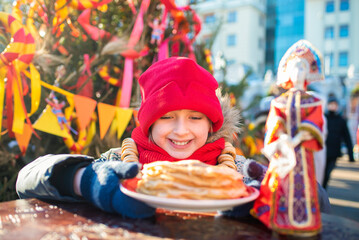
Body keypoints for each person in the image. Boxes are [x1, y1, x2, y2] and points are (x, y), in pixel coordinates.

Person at [16, 57, 328, 220]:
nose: (181, 131)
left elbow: (322, 203)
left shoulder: (240, 173)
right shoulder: (119, 165)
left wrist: (282, 181)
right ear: (149, 125)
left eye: (195, 118)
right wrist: (84, 179)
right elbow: (27, 179)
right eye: (166, 117)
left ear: (211, 125)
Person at [251, 40, 330, 235]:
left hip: (304, 153)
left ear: (308, 73)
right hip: (284, 151)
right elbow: (274, 122)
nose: (298, 72)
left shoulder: (314, 101)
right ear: (287, 71)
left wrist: (299, 137)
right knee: (281, 184)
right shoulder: (279, 101)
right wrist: (281, 137)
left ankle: (304, 221)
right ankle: (279, 217)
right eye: (295, 68)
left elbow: (315, 122)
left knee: (306, 185)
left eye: (302, 68)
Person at [323, 94, 354, 189]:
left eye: (334, 104)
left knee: (327, 174)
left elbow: (347, 137)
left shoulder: (341, 120)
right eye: (331, 104)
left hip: (334, 152)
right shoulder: (324, 118)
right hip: (323, 151)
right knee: (321, 174)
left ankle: (323, 192)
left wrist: (350, 155)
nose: (332, 106)